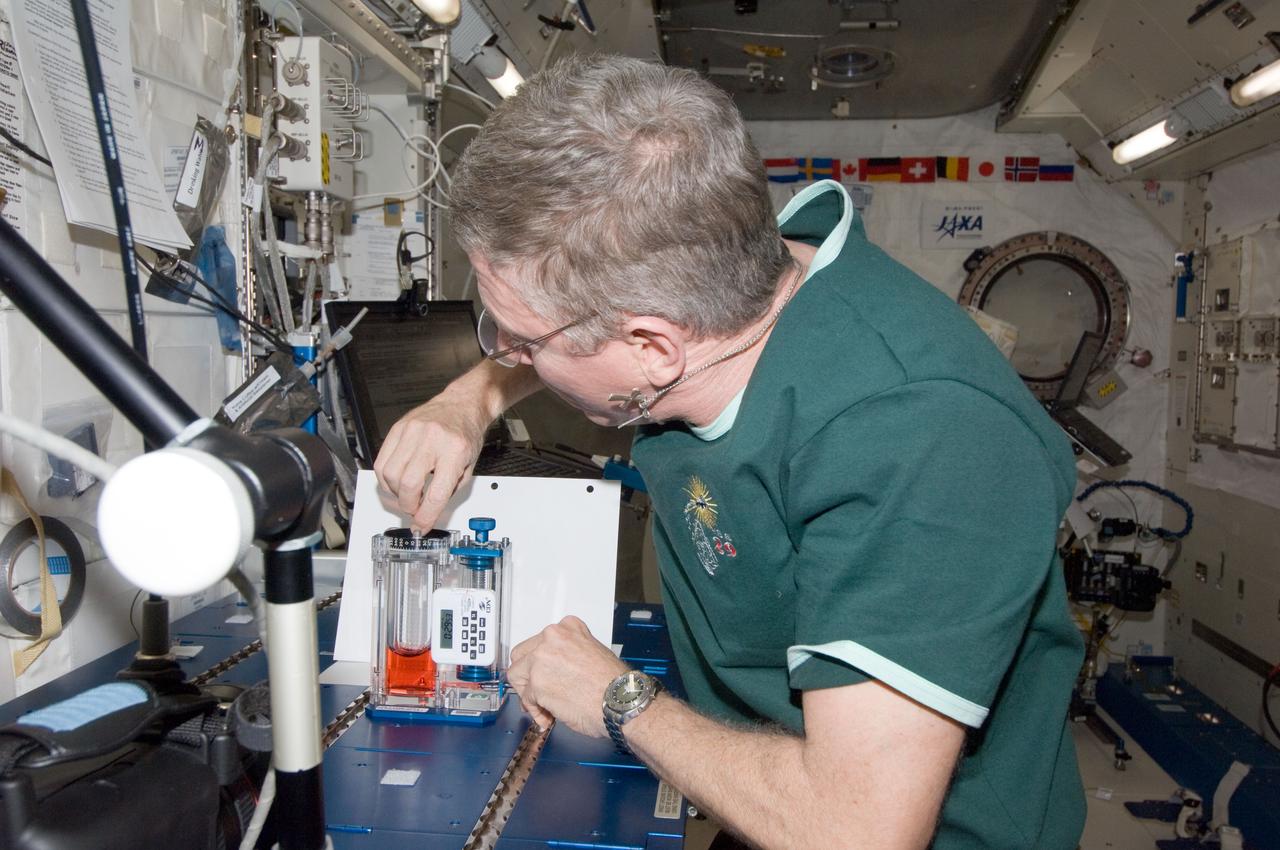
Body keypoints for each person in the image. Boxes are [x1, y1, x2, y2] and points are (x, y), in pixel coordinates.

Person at [375, 54, 1086, 849]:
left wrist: (617, 699)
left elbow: (858, 831)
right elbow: (571, 327)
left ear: (653, 350)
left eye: (520, 338)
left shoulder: (926, 442)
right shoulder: (726, 269)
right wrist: (465, 400)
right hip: (761, 783)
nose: (505, 351)